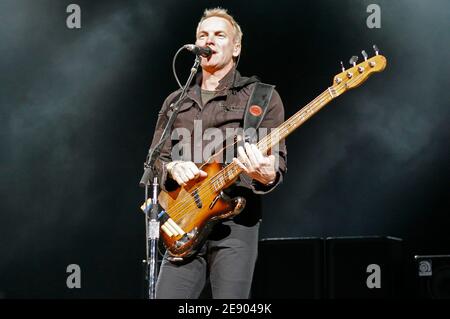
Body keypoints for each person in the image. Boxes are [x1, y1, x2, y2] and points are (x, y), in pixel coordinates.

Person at [150, 7, 287, 299]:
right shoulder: (176, 101)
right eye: (203, 34)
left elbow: (275, 167)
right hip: (184, 221)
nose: (209, 40)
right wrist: (173, 169)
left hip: (236, 224)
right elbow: (154, 163)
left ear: (236, 47)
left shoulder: (261, 97)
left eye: (219, 35)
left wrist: (264, 172)